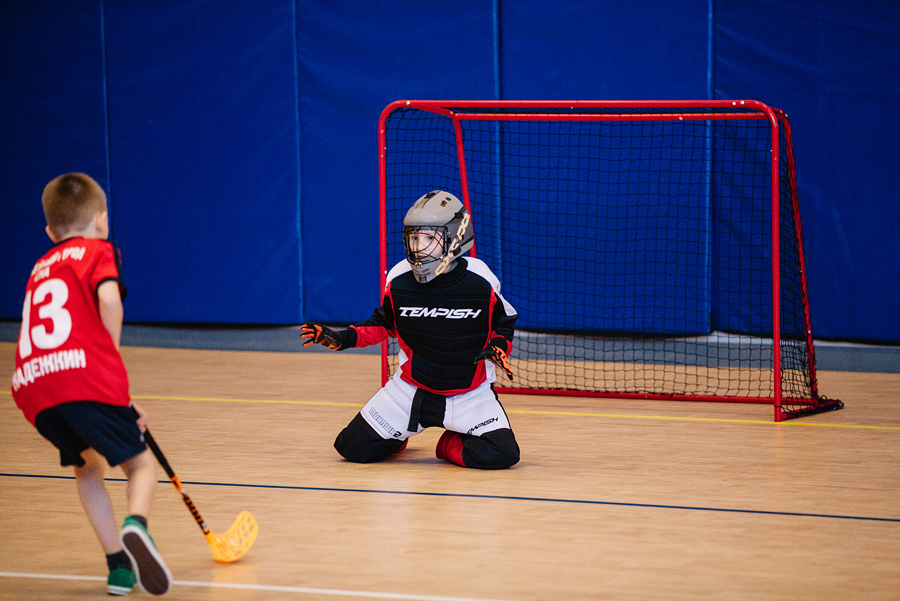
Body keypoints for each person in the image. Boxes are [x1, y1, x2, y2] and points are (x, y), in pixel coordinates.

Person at [10, 173, 171, 596]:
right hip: (82, 376)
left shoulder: (39, 267)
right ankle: (137, 526)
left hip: (32, 388)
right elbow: (110, 299)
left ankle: (118, 567)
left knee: (87, 467)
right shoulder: (99, 250)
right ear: (102, 221)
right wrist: (109, 365)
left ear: (50, 232)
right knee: (140, 465)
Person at [301, 190, 520, 469]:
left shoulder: (480, 280)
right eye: (414, 238)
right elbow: (383, 324)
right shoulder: (399, 278)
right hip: (410, 391)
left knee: (503, 453)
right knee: (351, 447)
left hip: (469, 394)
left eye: (429, 238)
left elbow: (503, 322)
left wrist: (499, 347)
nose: (418, 246)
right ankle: (396, 437)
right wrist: (340, 338)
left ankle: (448, 444)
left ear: (456, 237)